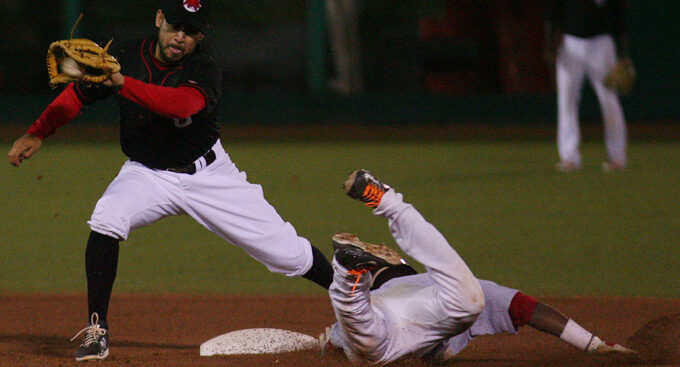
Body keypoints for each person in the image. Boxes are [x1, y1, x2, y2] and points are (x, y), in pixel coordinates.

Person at [7, 0, 333, 362]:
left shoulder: (203, 66)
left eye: (191, 31)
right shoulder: (129, 56)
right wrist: (39, 132)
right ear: (159, 18)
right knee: (106, 217)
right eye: (175, 25)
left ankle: (357, 296)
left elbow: (181, 106)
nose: (181, 37)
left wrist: (121, 83)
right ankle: (97, 330)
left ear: (200, 36)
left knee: (288, 254)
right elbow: (77, 95)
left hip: (209, 176)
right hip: (147, 173)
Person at [319, 169, 636, 364]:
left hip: (377, 329)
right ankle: (375, 223)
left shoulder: (398, 291)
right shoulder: (432, 290)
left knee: (356, 316)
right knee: (466, 298)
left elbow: (337, 341)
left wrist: (328, 347)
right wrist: (593, 345)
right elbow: (528, 309)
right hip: (392, 332)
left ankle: (348, 269)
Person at [322, 169, 485, 364]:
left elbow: (333, 344)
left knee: (367, 341)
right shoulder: (462, 290)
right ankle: (386, 205)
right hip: (401, 313)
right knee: (469, 303)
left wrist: (331, 346)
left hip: (395, 316)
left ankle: (348, 269)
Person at [544, 0, 632, 172]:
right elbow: (552, 14)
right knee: (566, 101)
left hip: (601, 45)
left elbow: (620, 20)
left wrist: (623, 54)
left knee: (610, 102)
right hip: (570, 43)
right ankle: (569, 158)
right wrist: (549, 46)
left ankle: (617, 157)